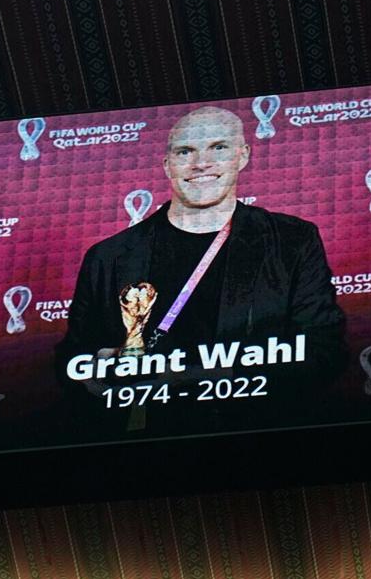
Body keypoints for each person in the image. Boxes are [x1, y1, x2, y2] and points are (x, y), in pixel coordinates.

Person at [56, 106, 347, 427]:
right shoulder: (108, 256)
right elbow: (72, 362)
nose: (200, 164)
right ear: (168, 165)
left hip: (255, 437)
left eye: (218, 148)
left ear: (243, 156)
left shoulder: (292, 240)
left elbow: (324, 351)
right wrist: (99, 367)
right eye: (185, 151)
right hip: (143, 442)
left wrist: (204, 374)